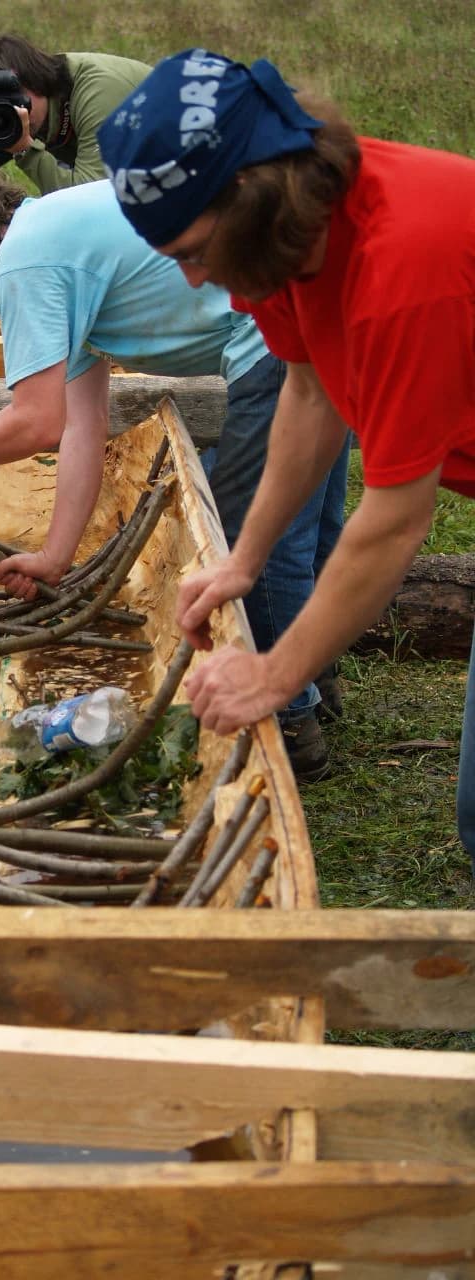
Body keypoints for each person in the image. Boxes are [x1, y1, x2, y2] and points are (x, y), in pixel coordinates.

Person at [98, 48, 475, 868]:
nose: (200, 278)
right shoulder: (284, 245)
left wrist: (273, 677)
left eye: (195, 251)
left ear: (254, 195)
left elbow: (393, 521)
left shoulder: (403, 266)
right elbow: (310, 395)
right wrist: (245, 560)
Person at [0, 168, 351, 780]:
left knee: (251, 540)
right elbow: (82, 425)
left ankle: (293, 725)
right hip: (324, 308)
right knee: (308, 523)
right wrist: (56, 556)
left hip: (277, 335)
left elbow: (34, 422)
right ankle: (317, 676)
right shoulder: (59, 235)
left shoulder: (21, 261)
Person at [0, 33, 152, 193]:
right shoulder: (3, 114)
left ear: (37, 80)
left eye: (14, 95)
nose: (10, 110)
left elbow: (93, 198)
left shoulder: (99, 92)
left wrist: (24, 149)